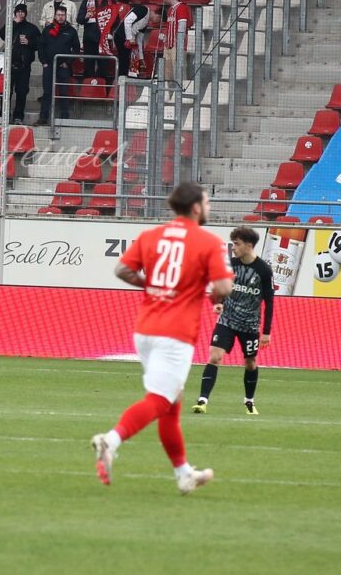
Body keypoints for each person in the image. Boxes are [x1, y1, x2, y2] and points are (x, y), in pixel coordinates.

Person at [91, 182, 234, 495]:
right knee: (159, 400)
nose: (208, 208)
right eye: (207, 203)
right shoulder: (208, 241)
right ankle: (110, 442)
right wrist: (205, 293)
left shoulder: (151, 235)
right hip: (176, 331)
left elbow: (123, 270)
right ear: (196, 207)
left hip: (146, 328)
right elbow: (223, 287)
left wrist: (154, 284)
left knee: (171, 402)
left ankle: (184, 473)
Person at [193, 226, 275, 415]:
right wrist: (219, 303)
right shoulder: (230, 265)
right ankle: (202, 400)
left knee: (250, 363)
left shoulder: (264, 270)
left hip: (250, 325)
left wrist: (266, 332)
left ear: (248, 245)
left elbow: (269, 302)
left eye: (236, 244)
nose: (234, 248)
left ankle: (249, 401)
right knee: (214, 356)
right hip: (227, 321)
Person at [37, 6, 80, 125]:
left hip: (63, 67)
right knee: (47, 93)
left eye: (63, 15)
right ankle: (43, 118)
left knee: (64, 92)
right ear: (55, 15)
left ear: (66, 16)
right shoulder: (47, 30)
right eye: (58, 15)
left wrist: (68, 62)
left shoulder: (71, 31)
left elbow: (76, 48)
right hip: (49, 66)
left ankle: (64, 118)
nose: (60, 17)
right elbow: (40, 47)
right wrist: (43, 62)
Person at [2, 3, 40, 124]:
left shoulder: (32, 28)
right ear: (15, 13)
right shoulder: (10, 25)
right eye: (18, 12)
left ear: (26, 13)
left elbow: (39, 44)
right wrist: (13, 23)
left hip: (24, 65)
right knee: (7, 91)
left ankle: (18, 116)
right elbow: (2, 34)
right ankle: (4, 114)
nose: (20, 14)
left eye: (22, 12)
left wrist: (29, 42)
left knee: (22, 91)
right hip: (9, 64)